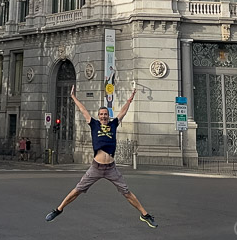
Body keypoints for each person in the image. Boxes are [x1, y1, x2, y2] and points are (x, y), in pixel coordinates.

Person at [45, 84, 157, 228]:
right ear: (98, 116)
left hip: (111, 168)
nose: (103, 116)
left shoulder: (114, 124)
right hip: (96, 167)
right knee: (78, 190)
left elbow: (123, 112)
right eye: (101, 114)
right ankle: (58, 210)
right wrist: (73, 97)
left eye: (105, 114)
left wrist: (130, 99)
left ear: (108, 115)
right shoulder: (94, 124)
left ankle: (145, 215)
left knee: (126, 192)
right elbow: (83, 110)